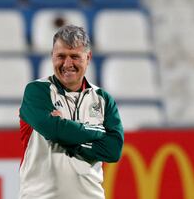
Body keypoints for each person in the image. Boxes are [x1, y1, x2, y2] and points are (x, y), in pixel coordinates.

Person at [18, 24, 124, 199]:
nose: (67, 64)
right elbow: (55, 131)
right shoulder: (37, 91)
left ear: (88, 57)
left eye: (75, 56)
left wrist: (68, 131)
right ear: (52, 57)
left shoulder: (103, 99)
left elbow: (113, 150)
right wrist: (96, 131)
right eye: (61, 56)